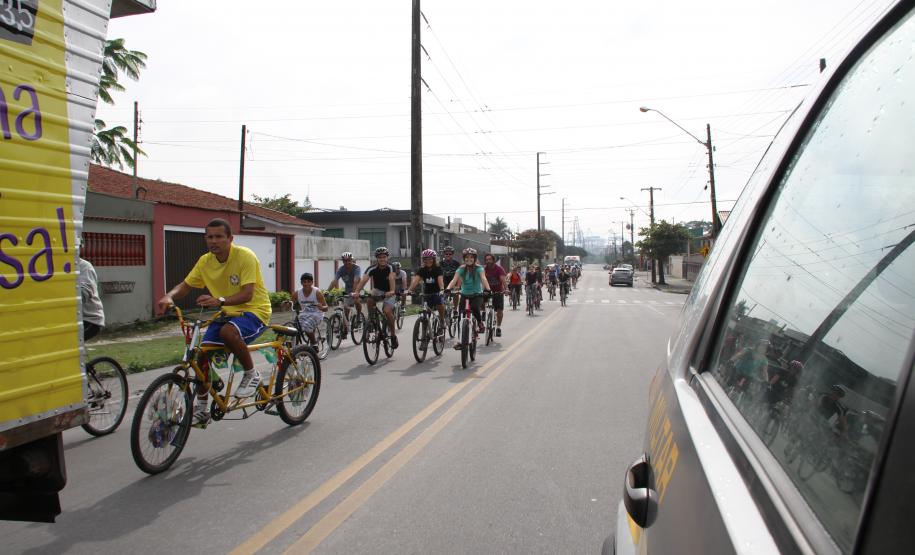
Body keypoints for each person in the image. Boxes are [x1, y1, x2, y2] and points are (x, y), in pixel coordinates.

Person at [157, 218, 273, 425]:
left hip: (255, 311)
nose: (214, 241)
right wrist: (169, 296)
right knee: (201, 355)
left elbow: (247, 294)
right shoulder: (205, 261)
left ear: (230, 238)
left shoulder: (245, 256)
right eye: (210, 237)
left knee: (227, 333)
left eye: (219, 236)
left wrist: (218, 300)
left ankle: (251, 374)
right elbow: (185, 285)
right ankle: (201, 409)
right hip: (226, 313)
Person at [352, 246, 399, 349]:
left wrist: (391, 291)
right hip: (377, 290)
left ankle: (393, 335)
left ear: (387, 258)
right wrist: (356, 292)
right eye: (380, 257)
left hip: (389, 291)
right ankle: (371, 319)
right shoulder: (371, 268)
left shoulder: (391, 267)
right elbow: (363, 281)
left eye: (384, 257)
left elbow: (391, 279)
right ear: (376, 258)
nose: (382, 259)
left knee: (387, 311)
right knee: (369, 297)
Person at [446, 248, 491, 348]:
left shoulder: (479, 268)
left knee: (475, 308)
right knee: (459, 319)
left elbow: (483, 279)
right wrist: (448, 288)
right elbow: (454, 279)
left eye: (471, 257)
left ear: (475, 258)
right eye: (466, 257)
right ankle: (459, 341)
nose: (469, 259)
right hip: (464, 295)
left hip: (477, 295)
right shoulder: (461, 269)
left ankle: (480, 323)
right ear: (464, 259)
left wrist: (488, 289)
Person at [407, 249, 446, 333]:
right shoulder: (422, 270)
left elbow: (440, 280)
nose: (428, 261)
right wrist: (409, 290)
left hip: (437, 292)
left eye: (430, 258)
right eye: (425, 259)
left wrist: (442, 290)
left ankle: (442, 320)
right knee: (426, 314)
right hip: (427, 294)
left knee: (440, 304)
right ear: (423, 260)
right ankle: (425, 336)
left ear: (434, 259)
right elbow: (415, 281)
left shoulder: (438, 269)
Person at [328, 251, 362, 332]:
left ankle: (358, 315)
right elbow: (334, 281)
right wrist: (327, 291)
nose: (347, 262)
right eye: (345, 261)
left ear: (352, 260)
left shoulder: (357, 268)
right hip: (348, 289)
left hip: (357, 287)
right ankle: (345, 328)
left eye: (349, 260)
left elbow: (356, 281)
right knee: (346, 309)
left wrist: (354, 293)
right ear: (343, 261)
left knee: (357, 301)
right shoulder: (341, 270)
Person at [293, 272, 328, 347]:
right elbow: (292, 303)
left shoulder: (317, 293)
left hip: (317, 314)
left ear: (312, 282)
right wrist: (286, 304)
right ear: (301, 282)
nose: (306, 284)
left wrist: (322, 307)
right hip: (303, 314)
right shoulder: (297, 293)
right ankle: (295, 348)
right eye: (304, 282)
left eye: (308, 282)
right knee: (296, 327)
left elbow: (326, 308)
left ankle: (314, 343)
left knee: (306, 326)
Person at [78, 257, 105, 341]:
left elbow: (84, 292)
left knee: (67, 342)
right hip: (69, 319)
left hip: (88, 319)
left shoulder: (84, 266)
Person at [483, 254, 507, 336]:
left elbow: (503, 280)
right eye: (486, 260)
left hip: (498, 291)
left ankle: (498, 327)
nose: (488, 261)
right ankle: (483, 312)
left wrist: (506, 289)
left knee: (499, 310)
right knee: (480, 300)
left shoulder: (499, 269)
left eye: (490, 259)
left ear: (493, 260)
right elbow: (481, 280)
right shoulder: (484, 269)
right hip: (487, 290)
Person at [440, 246, 461, 315]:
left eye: (450, 254)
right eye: (446, 254)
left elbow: (459, 276)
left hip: (454, 283)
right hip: (444, 283)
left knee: (456, 294)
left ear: (452, 254)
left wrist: (458, 286)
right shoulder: (440, 264)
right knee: (442, 297)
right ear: (444, 254)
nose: (448, 255)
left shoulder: (456, 263)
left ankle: (455, 309)